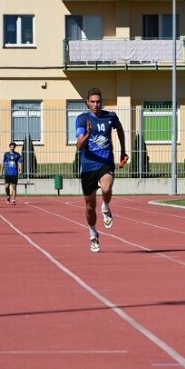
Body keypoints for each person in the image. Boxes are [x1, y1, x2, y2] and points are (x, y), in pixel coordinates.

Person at [75, 87, 127, 253]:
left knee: (106, 188)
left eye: (98, 101)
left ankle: (105, 207)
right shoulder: (82, 119)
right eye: (92, 102)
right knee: (90, 207)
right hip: (88, 166)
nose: (96, 104)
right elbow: (79, 145)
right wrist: (88, 134)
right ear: (87, 103)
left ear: (101, 102)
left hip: (106, 162)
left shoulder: (110, 116)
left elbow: (119, 129)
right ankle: (93, 234)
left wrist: (123, 150)